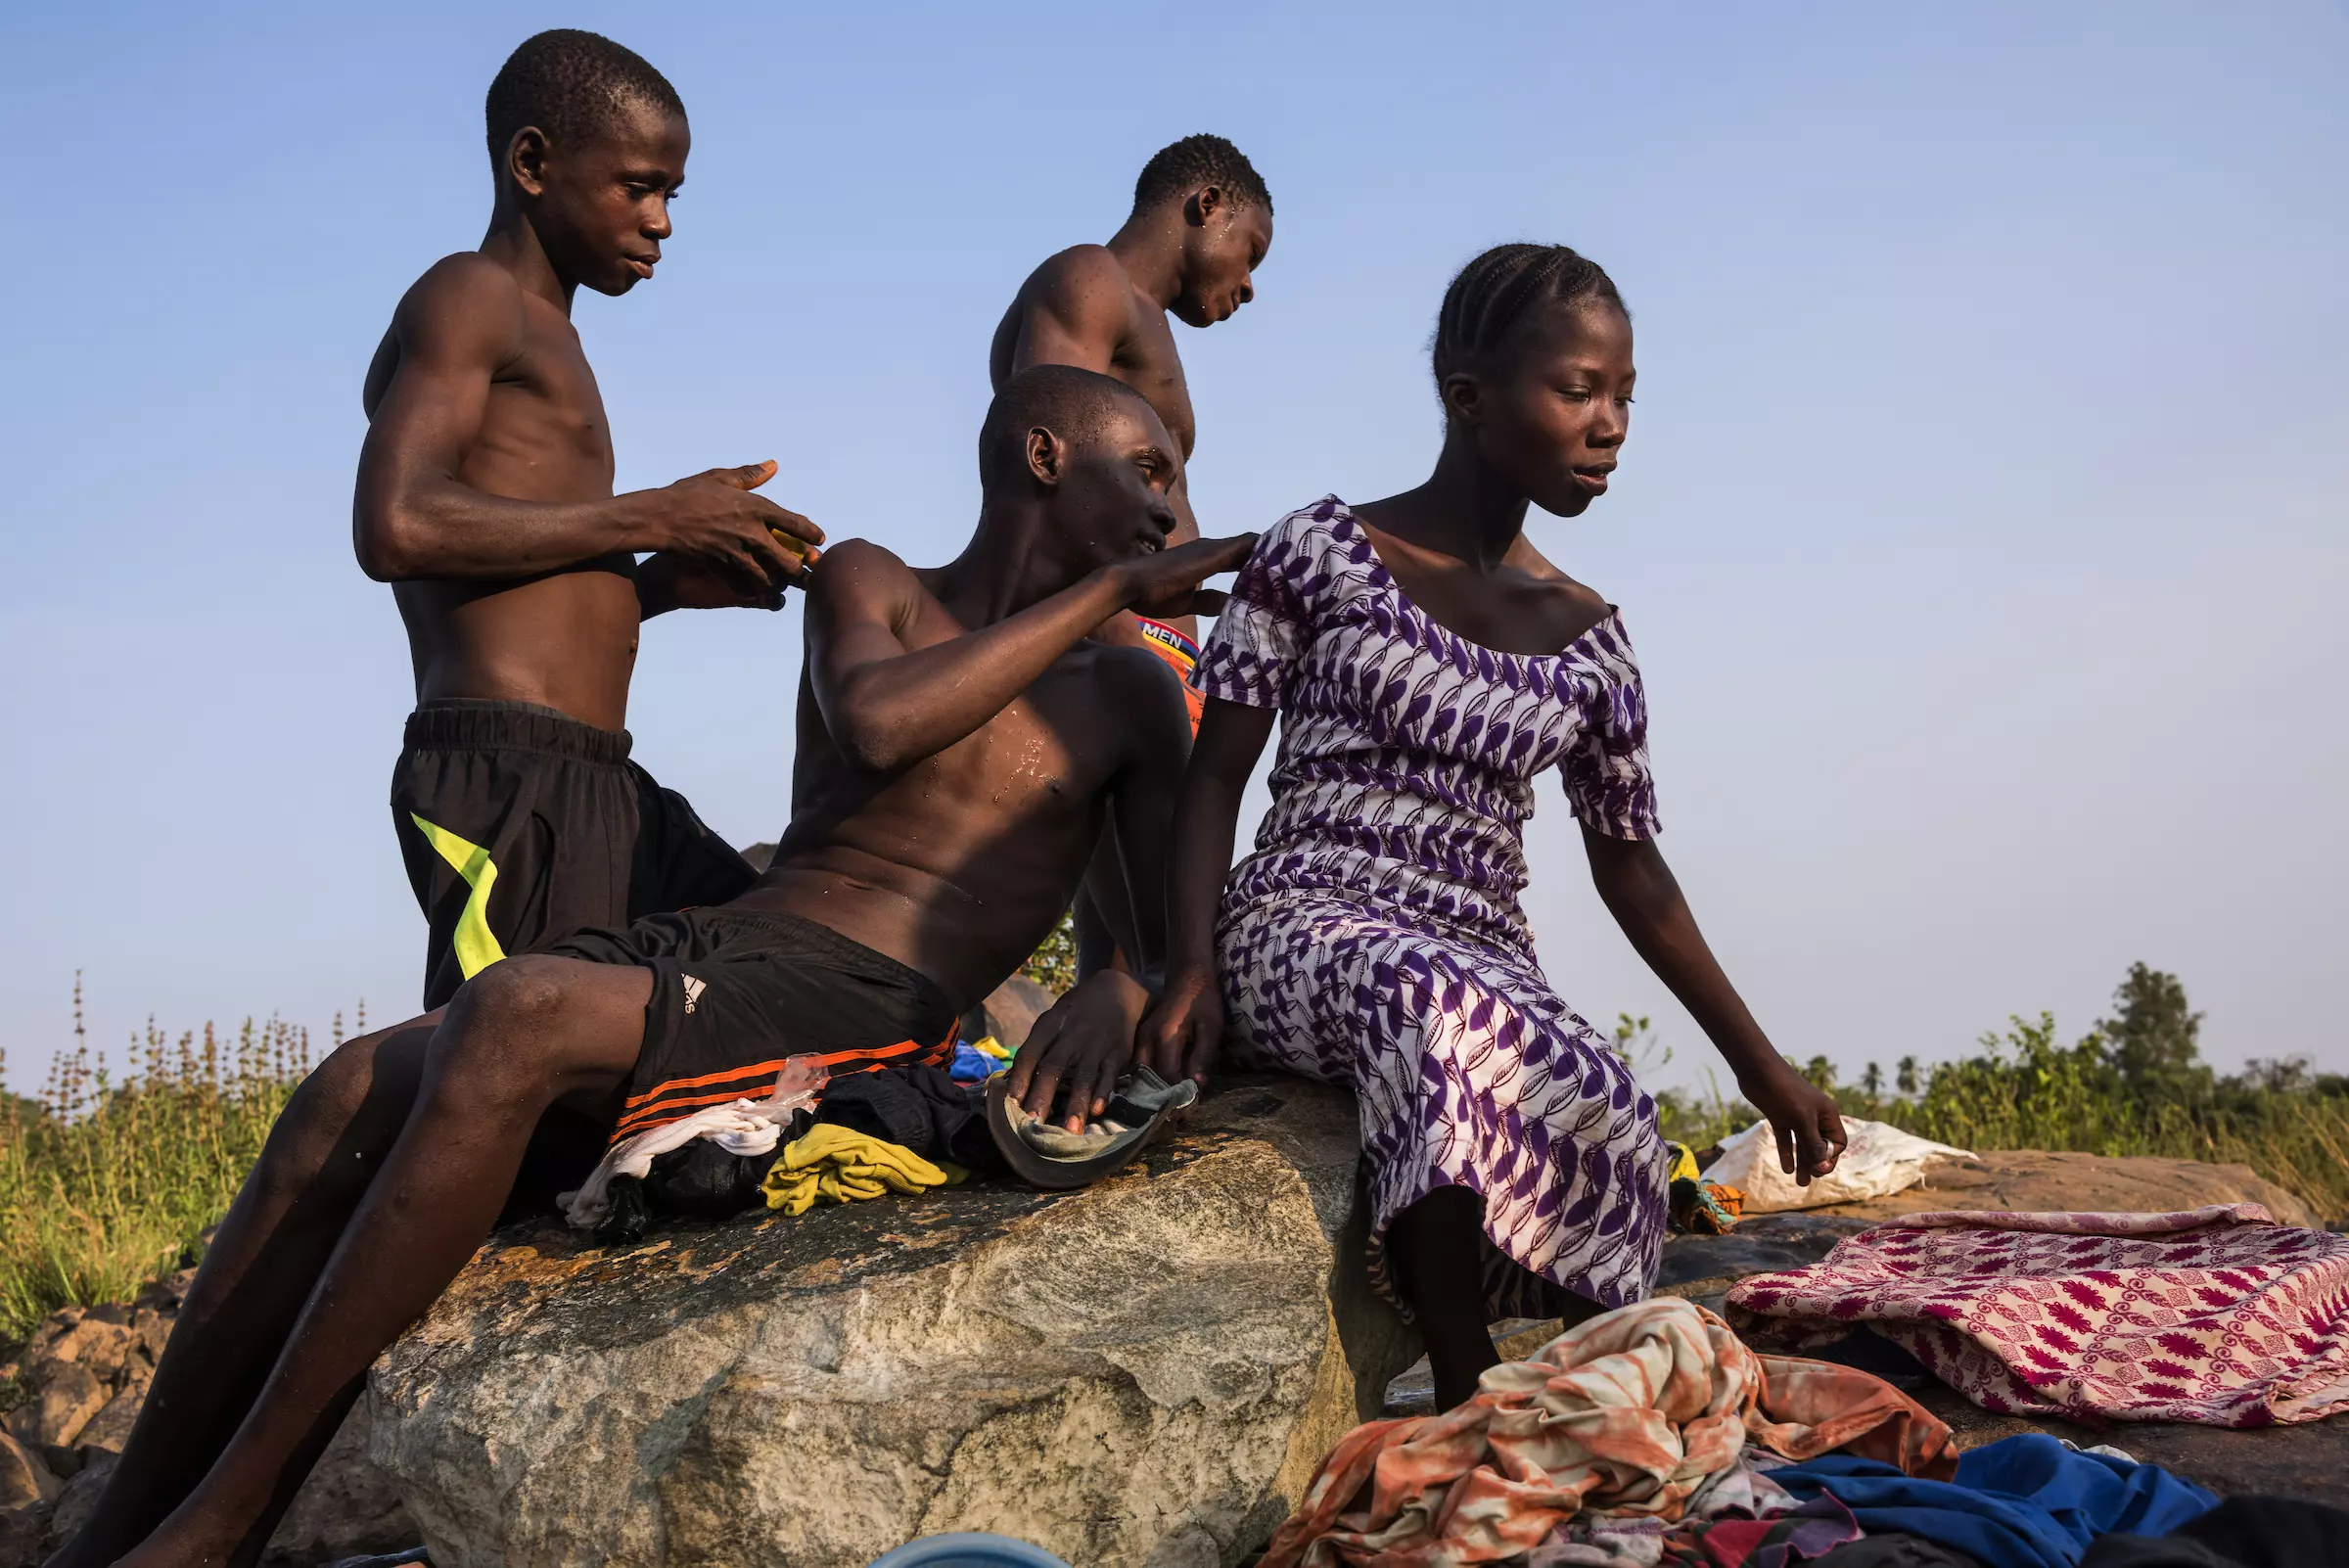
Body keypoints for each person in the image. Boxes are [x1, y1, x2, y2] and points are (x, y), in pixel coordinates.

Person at [52, 366, 1248, 1568]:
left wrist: (1121, 983)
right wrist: (1108, 588)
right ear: (1044, 457)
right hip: (736, 942)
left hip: (875, 1002)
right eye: (1147, 473)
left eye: (1178, 487)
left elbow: (1164, 942)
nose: (1170, 512)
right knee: (342, 1094)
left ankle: (221, 1527)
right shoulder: (874, 581)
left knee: (514, 1013)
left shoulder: (1133, 693)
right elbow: (881, 719)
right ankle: (106, 1537)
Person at [1138, 244, 1848, 1411]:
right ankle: (1469, 1397)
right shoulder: (1316, 551)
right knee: (1429, 1010)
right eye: (1578, 390)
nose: (1611, 422)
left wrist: (1760, 1066)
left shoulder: (1591, 640)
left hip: (1480, 947)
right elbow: (1213, 778)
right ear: (1469, 399)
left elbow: (1632, 869)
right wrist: (1189, 967)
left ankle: (1579, 1387)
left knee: (1613, 1102)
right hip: (1302, 918)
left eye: (1624, 396)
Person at [358, 29, 824, 1012]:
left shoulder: (551, 335)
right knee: (506, 1066)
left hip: (599, 777)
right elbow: (395, 525)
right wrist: (659, 513)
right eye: (637, 187)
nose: (660, 222)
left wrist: (658, 585)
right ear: (533, 163)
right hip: (504, 777)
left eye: (671, 196)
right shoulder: (468, 295)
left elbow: (521, 586)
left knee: (779, 971)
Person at [990, 133, 1272, 971]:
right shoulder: (1090, 281)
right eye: (1250, 251)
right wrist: (1115, 641)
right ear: (1206, 206)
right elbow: (1059, 464)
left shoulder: (1140, 317)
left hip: (1153, 640)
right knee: (1169, 946)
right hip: (1121, 636)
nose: (1250, 284)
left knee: (1130, 932)